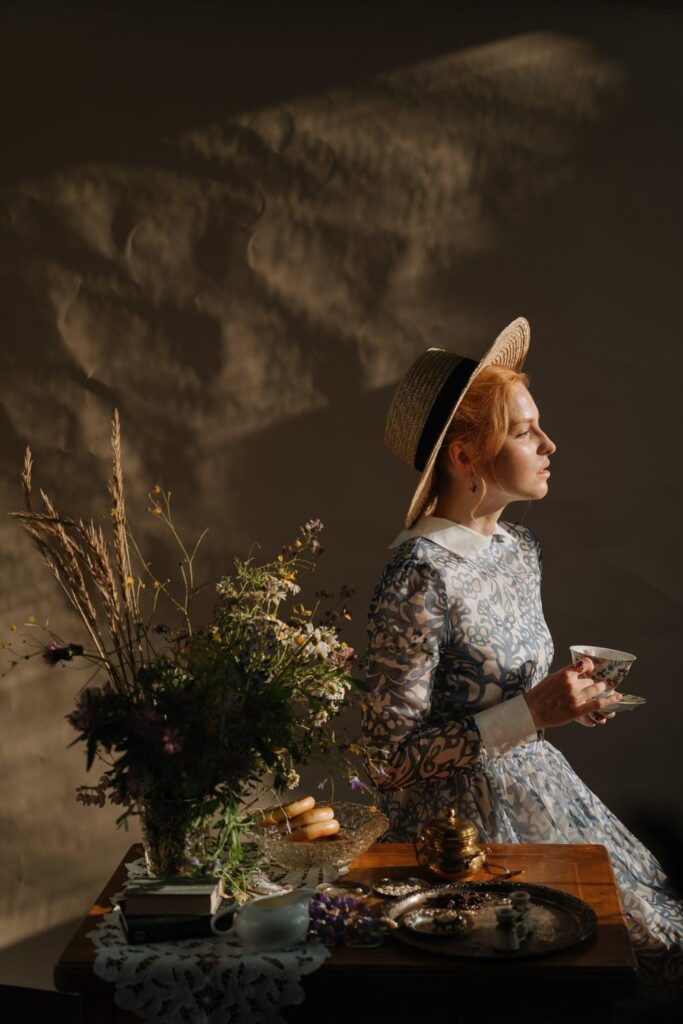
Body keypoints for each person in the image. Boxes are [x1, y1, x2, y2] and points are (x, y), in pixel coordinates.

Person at [361, 317, 683, 1016]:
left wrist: (568, 703)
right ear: (464, 456)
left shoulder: (517, 550)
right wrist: (534, 711)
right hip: (457, 833)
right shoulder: (420, 575)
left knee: (658, 939)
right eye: (524, 431)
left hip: (541, 790)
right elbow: (387, 761)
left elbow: (506, 697)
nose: (548, 445)